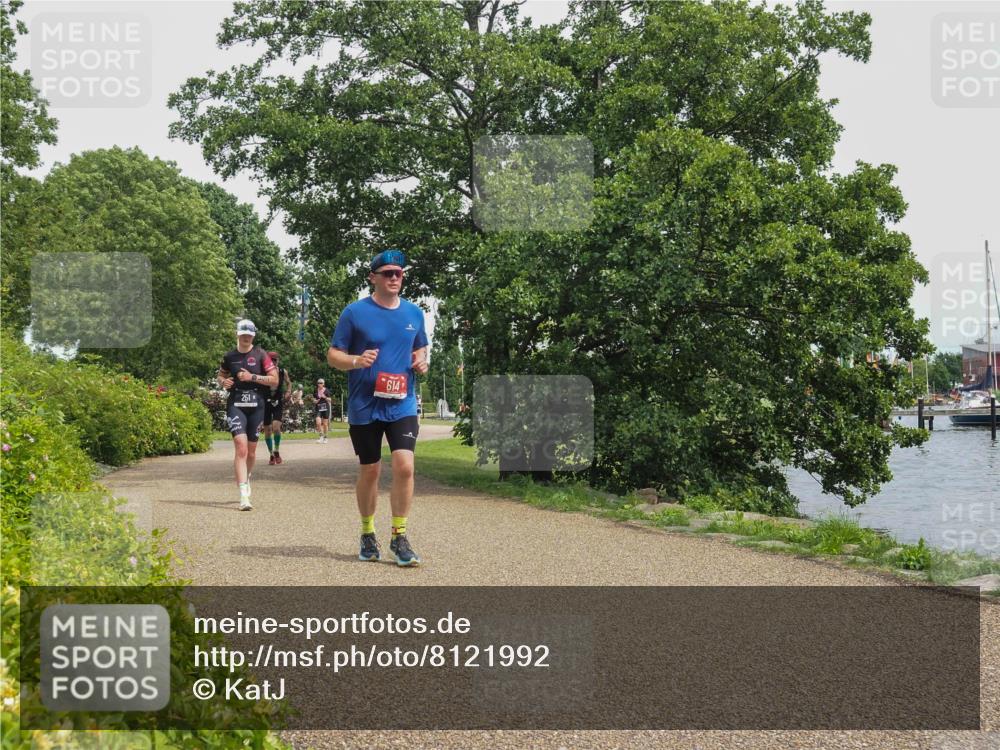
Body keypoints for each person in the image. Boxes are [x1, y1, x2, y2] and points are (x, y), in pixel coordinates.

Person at [328, 249, 429, 566]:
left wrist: (422, 361)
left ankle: (399, 537)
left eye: (399, 273)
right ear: (373, 277)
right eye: (388, 273)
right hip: (365, 405)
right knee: (370, 470)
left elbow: (421, 348)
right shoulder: (354, 313)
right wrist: (356, 361)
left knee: (405, 466)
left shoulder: (414, 313)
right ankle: (368, 532)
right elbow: (333, 355)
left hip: (402, 404)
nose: (395, 278)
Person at [217, 319, 278, 510]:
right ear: (237, 334)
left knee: (251, 451)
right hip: (236, 404)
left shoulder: (261, 354)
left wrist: (252, 377)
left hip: (257, 406)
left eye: (249, 334)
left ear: (253, 335)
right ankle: (243, 495)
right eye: (243, 333)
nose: (246, 337)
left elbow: (274, 380)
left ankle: (247, 476)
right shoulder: (229, 356)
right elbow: (221, 375)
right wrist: (223, 382)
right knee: (240, 447)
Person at [263, 351, 291, 465]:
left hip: (277, 402)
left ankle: (277, 450)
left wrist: (288, 391)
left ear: (278, 361)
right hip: (265, 403)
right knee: (267, 430)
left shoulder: (282, 371)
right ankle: (271, 454)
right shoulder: (263, 371)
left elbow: (289, 383)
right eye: (271, 360)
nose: (273, 362)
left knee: (276, 427)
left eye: (275, 360)